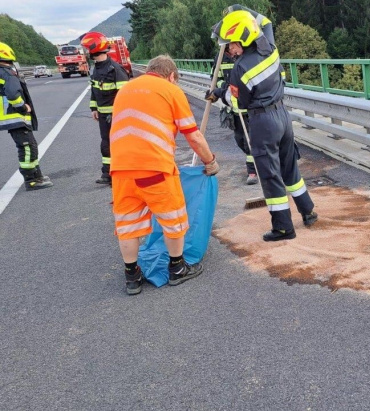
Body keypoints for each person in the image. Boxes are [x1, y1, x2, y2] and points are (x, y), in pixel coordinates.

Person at [109, 55, 220, 295]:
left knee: (128, 226)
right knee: (174, 220)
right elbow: (193, 135)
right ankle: (177, 268)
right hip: (154, 169)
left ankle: (132, 276)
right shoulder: (170, 91)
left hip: (120, 170)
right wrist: (209, 161)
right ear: (171, 76)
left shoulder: (125, 90)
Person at [211, 10, 317, 242]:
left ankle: (283, 228)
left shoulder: (241, 68)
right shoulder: (269, 46)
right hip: (282, 115)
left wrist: (219, 93)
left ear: (243, 38)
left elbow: (239, 103)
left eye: (231, 44)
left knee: (269, 175)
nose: (229, 50)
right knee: (290, 169)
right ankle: (308, 212)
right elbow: (265, 21)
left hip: (262, 122)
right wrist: (241, 10)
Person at [0, 41, 53, 191]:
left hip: (10, 118)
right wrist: (23, 107)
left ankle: (37, 175)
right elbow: (12, 94)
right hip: (16, 117)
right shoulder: (7, 72)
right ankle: (31, 180)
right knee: (27, 147)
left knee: (30, 146)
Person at [81, 32, 130, 185]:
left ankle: (123, 172)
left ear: (94, 48)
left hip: (116, 115)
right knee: (106, 144)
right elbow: (94, 90)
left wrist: (118, 114)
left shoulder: (115, 69)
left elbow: (126, 96)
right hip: (103, 115)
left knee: (118, 143)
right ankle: (107, 173)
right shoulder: (96, 68)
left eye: (87, 49)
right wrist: (93, 108)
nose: (85, 52)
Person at [208, 48, 258, 185]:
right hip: (234, 107)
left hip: (250, 107)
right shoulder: (220, 57)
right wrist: (223, 88)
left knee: (251, 141)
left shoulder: (246, 54)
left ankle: (252, 171)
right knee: (240, 139)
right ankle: (257, 161)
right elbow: (215, 79)